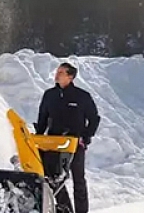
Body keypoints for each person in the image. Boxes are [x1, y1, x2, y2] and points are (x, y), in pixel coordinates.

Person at [34, 62, 100, 213]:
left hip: (75, 145)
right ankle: (66, 210)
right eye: (57, 71)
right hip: (53, 144)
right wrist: (38, 138)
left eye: (61, 72)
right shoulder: (49, 95)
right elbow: (42, 118)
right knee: (54, 181)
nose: (57, 74)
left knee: (79, 181)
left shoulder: (82, 97)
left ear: (70, 77)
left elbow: (94, 119)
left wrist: (86, 137)